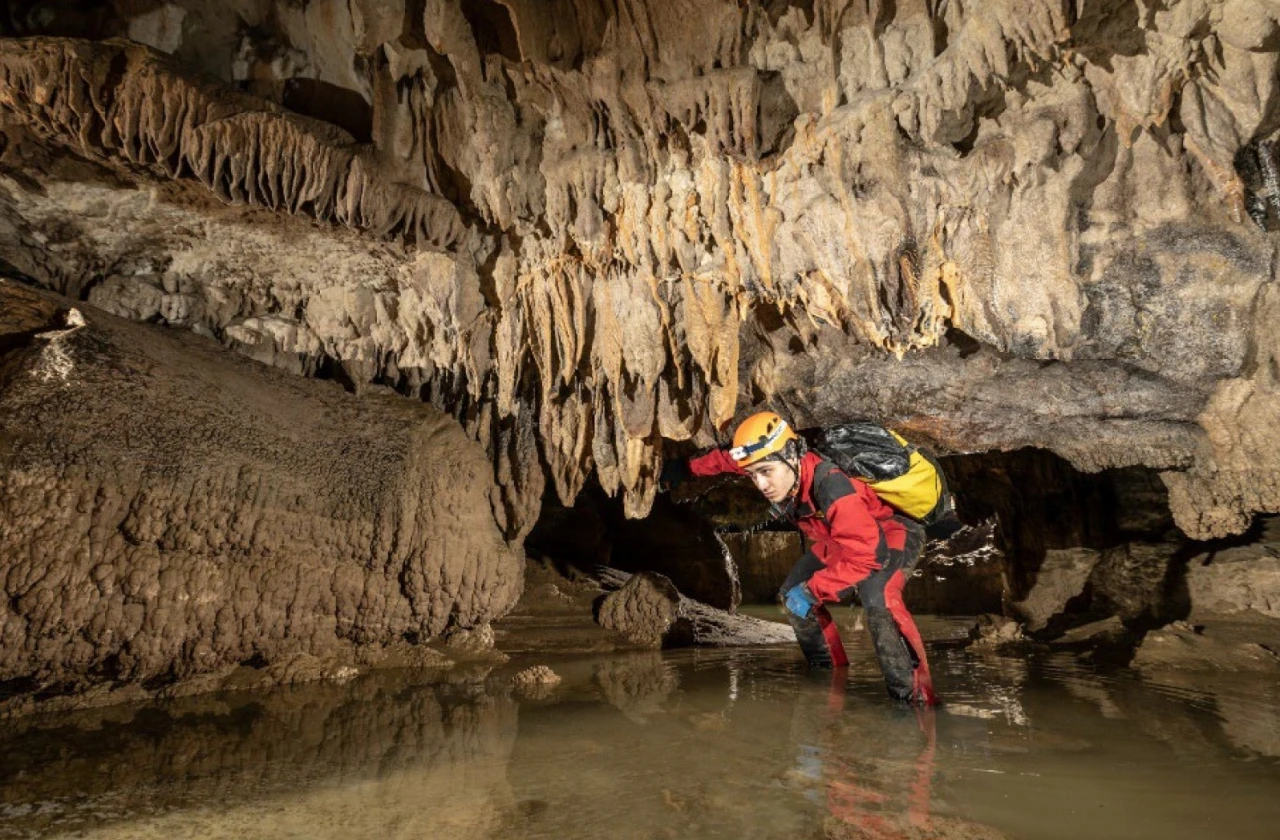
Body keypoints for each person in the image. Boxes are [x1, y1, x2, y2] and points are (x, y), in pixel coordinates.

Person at [661, 411, 936, 705]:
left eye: (765, 472)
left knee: (878, 597)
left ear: (792, 455)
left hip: (890, 529)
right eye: (753, 475)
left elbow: (866, 556)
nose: (761, 484)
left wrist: (814, 590)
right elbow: (729, 460)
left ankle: (914, 698)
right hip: (838, 535)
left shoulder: (831, 484)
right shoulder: (777, 463)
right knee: (792, 596)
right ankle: (828, 673)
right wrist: (687, 468)